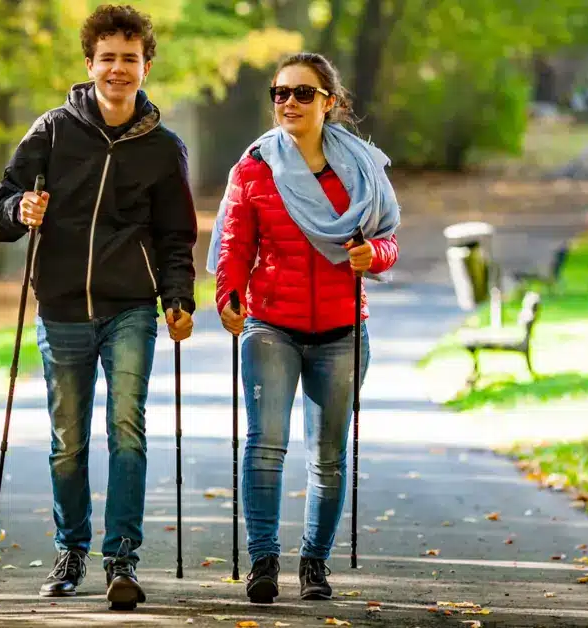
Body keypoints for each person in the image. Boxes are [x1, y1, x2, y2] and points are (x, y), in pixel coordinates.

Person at [0, 3, 197, 609]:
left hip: (131, 305)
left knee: (127, 432)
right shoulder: (52, 131)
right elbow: (4, 205)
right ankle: (71, 548)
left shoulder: (164, 147)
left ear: (146, 65)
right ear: (90, 64)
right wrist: (18, 212)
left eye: (129, 59)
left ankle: (122, 558)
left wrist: (178, 297)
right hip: (61, 308)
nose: (118, 69)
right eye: (108, 58)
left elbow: (175, 237)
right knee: (68, 439)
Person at [208, 52, 401, 604]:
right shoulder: (254, 168)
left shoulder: (360, 170)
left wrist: (375, 255)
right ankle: (263, 561)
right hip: (271, 324)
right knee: (265, 445)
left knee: (329, 456)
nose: (288, 102)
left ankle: (315, 564)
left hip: (342, 329)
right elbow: (234, 243)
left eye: (302, 93)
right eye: (280, 93)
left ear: (329, 102)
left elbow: (386, 239)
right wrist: (228, 295)